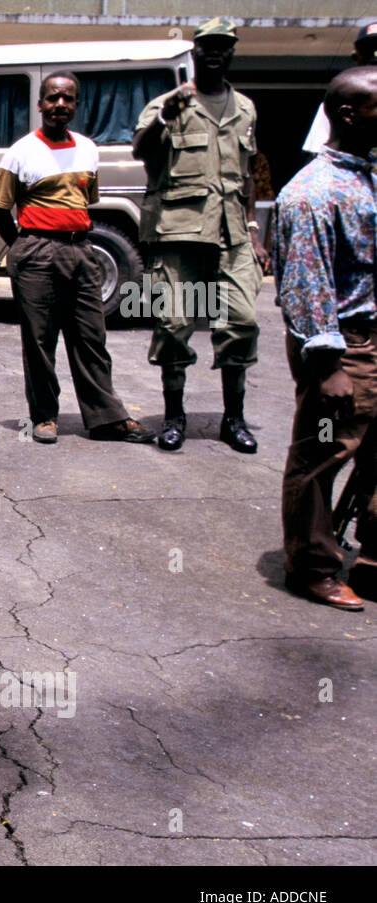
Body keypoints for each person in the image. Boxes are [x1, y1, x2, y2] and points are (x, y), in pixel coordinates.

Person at [0, 71, 153, 446]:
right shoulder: (20, 152)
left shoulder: (88, 148)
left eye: (67, 99)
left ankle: (106, 419)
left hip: (82, 250)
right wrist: (21, 247)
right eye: (52, 98)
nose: (59, 105)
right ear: (40, 104)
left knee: (91, 336)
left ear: (76, 105)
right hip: (37, 251)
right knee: (40, 339)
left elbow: (85, 200)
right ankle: (44, 416)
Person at [133, 16, 269, 453]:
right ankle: (174, 418)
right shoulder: (167, 104)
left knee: (242, 322)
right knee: (173, 326)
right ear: (195, 52)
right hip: (179, 235)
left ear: (232, 53)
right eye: (207, 45)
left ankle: (234, 418)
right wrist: (163, 121)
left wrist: (255, 231)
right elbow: (141, 151)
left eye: (223, 46)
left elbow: (245, 177)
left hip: (232, 235)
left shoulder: (245, 108)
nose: (215, 52)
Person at [276, 67, 377, 611]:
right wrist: (328, 365)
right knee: (320, 454)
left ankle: (372, 559)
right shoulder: (313, 193)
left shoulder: (368, 176)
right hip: (344, 349)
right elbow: (306, 287)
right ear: (347, 113)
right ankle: (313, 566)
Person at [303, 21, 377, 155]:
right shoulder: (340, 101)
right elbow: (319, 156)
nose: (376, 56)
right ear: (356, 58)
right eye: (369, 51)